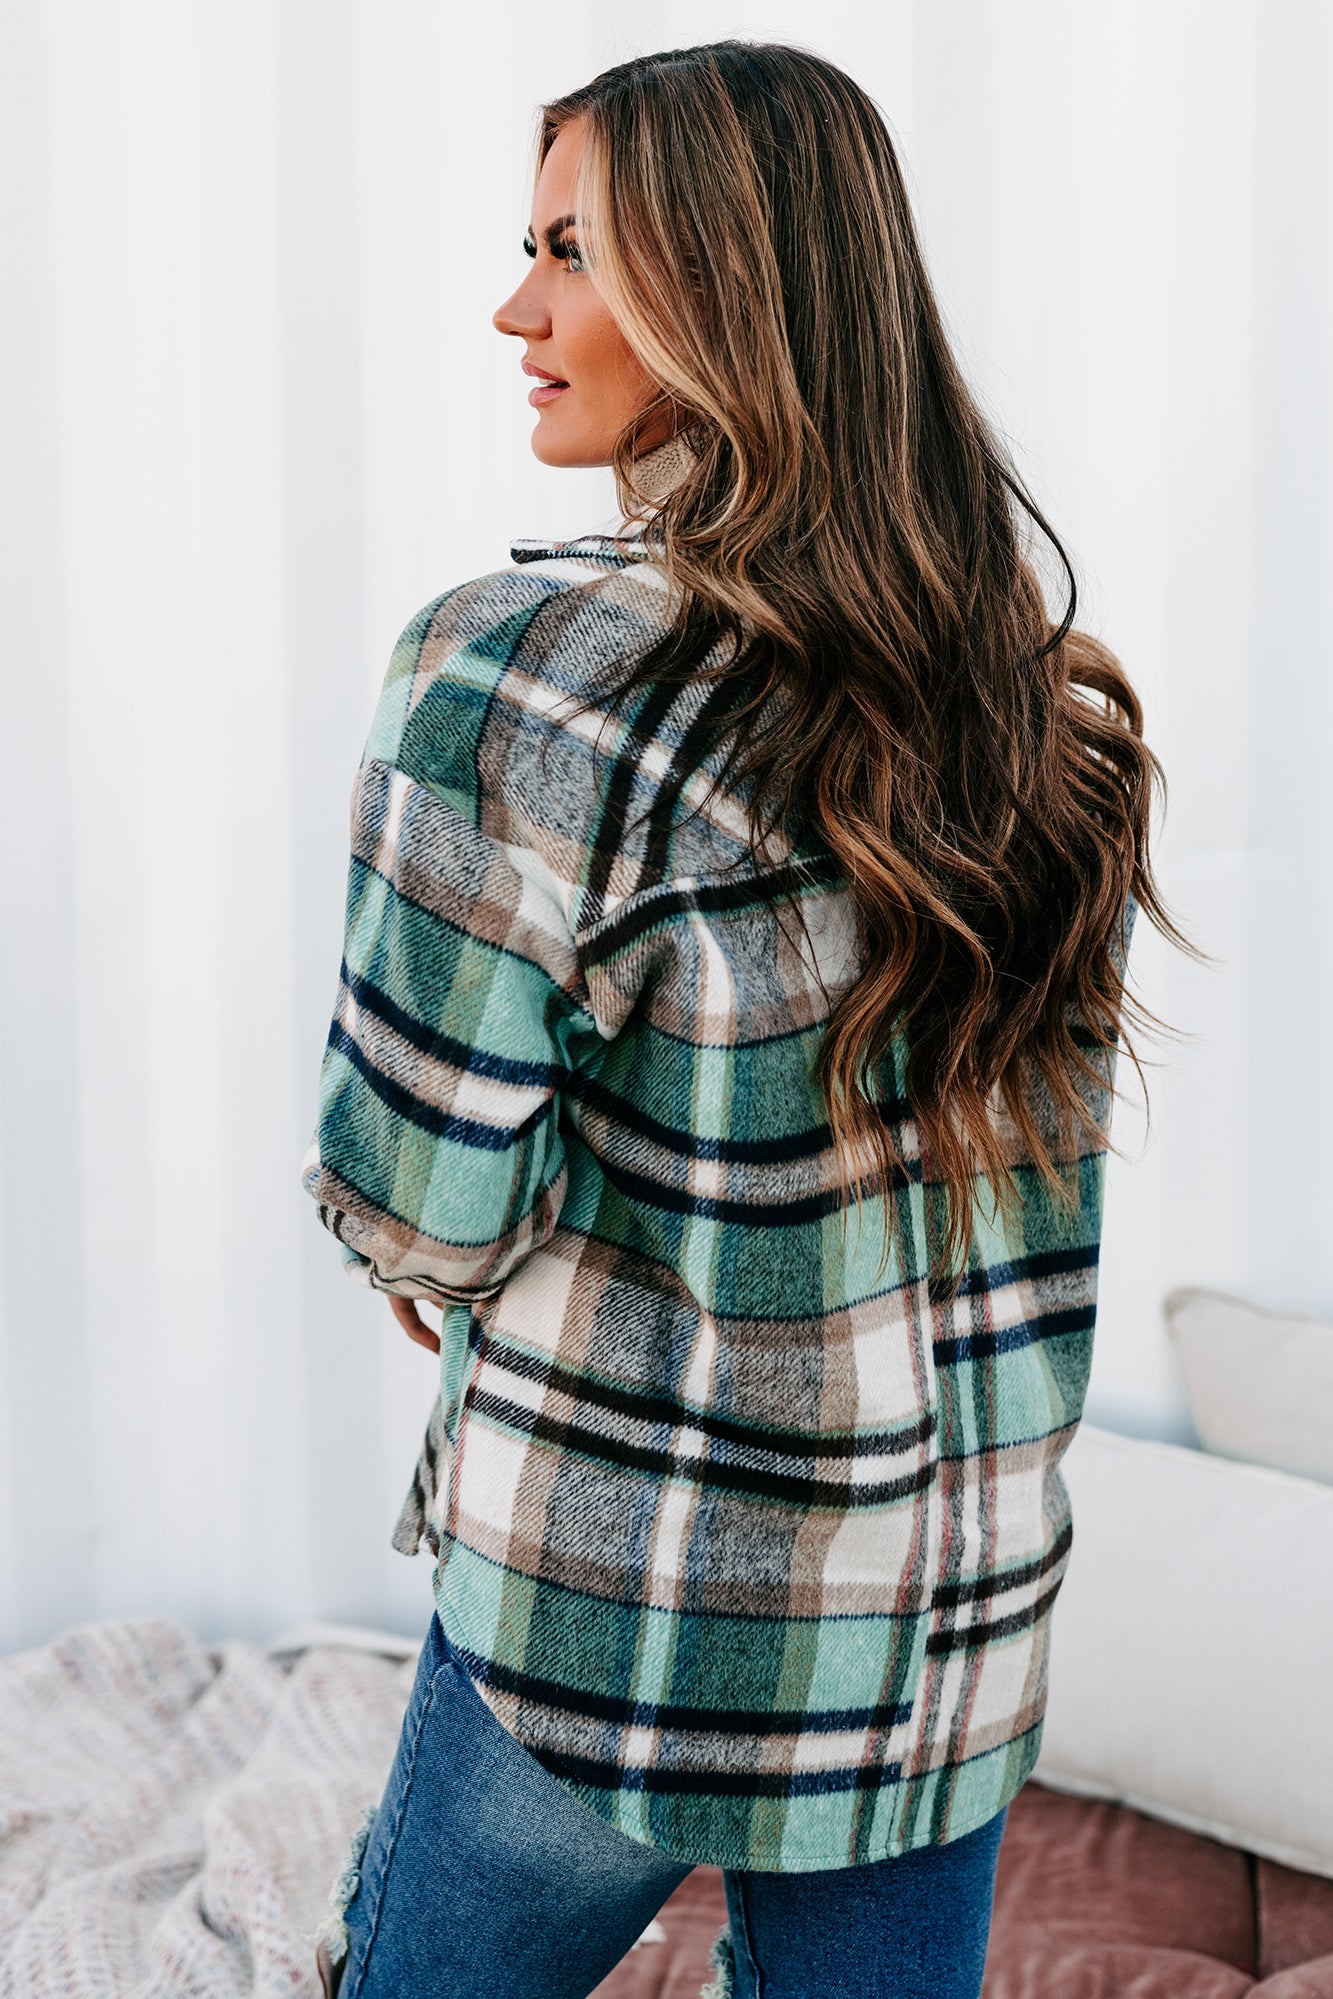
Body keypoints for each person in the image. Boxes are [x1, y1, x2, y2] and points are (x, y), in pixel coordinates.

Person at [302, 38, 1185, 1999]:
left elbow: (422, 1205)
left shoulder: (517, 685)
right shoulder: (1031, 712)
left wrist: (424, 1239)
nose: (516, 310)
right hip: (944, 1630)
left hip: (619, 1618)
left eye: (568, 253)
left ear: (724, 292)